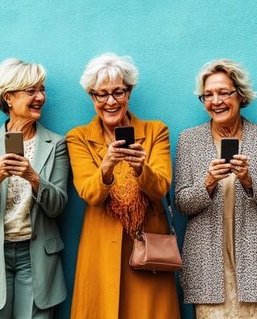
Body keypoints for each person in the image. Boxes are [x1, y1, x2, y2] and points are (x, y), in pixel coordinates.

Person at [66, 53, 180, 318]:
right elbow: (90, 194)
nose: (110, 102)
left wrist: (141, 167)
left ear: (129, 92)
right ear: (91, 97)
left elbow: (161, 188)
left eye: (118, 92)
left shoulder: (156, 131)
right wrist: (106, 166)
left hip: (148, 252)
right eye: (101, 95)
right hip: (101, 249)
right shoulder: (78, 137)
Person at [175, 59, 257, 318]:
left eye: (223, 92)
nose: (216, 100)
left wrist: (249, 180)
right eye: (208, 95)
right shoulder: (189, 139)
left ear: (240, 95)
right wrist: (208, 181)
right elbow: (182, 203)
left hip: (253, 259)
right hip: (207, 263)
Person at [0, 58, 68, 318]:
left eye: (42, 90)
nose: (40, 97)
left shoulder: (55, 144)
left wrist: (34, 178)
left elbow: (57, 206)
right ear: (8, 97)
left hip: (36, 257)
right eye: (31, 91)